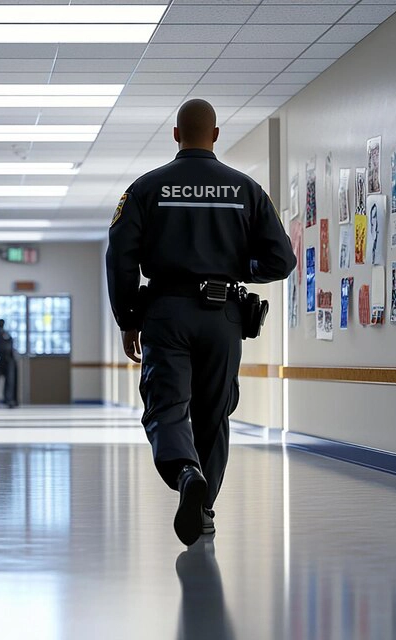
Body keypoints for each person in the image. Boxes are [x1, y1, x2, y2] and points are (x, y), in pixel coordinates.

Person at [105, 99, 296, 546]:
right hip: (222, 316)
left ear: (175, 134)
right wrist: (233, 269)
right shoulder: (245, 189)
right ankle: (204, 508)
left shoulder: (146, 189)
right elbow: (281, 259)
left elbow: (120, 256)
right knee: (214, 413)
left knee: (167, 405)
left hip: (167, 311)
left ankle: (186, 472)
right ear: (215, 136)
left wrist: (128, 318)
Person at [0, 319, 17, 408]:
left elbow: (10, 350)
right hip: (1, 361)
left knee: (8, 382)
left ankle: (8, 399)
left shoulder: (7, 336)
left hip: (6, 361)